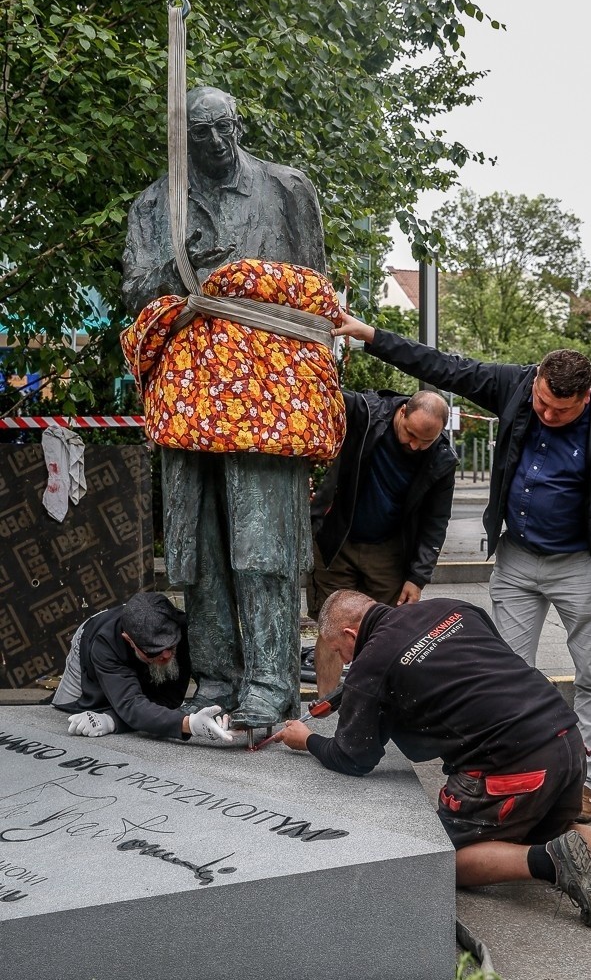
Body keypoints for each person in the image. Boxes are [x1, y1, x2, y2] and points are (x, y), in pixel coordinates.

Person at [332, 315, 591, 823]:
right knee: (501, 671)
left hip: (579, 565)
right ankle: (499, 763)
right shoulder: (518, 386)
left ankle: (583, 781)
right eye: (541, 402)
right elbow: (445, 367)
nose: (545, 413)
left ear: (585, 398)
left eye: (559, 409)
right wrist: (369, 335)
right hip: (518, 558)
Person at [275, 591, 591, 926]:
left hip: (514, 762)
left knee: (441, 853)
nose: (345, 661)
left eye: (339, 651)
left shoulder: (370, 664)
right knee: (545, 825)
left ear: (350, 633)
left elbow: (353, 756)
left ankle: (549, 863)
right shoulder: (449, 606)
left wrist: (306, 739)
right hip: (565, 735)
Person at [121, 86, 330, 728]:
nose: (213, 143)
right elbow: (133, 288)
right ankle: (216, 675)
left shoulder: (287, 189)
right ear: (181, 138)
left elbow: (316, 293)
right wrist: (182, 274)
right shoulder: (156, 204)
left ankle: (270, 679)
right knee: (197, 549)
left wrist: (243, 284)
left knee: (263, 544)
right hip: (188, 394)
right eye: (198, 134)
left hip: (266, 395)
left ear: (238, 123)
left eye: (222, 129)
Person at [306, 388, 457, 693]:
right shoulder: (368, 413)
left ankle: (371, 704)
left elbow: (435, 521)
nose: (414, 446)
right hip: (338, 538)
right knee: (330, 626)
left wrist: (418, 576)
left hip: (390, 550)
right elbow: (322, 390)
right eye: (410, 434)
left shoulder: (442, 459)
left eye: (425, 441)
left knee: (384, 630)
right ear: (402, 412)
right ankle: (324, 700)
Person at [52, 592, 233, 744]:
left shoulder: (181, 628)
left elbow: (169, 700)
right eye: (153, 652)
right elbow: (130, 703)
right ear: (129, 640)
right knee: (70, 712)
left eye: (170, 646)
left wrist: (113, 720)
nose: (167, 655)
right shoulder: (105, 644)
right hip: (87, 643)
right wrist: (190, 725)